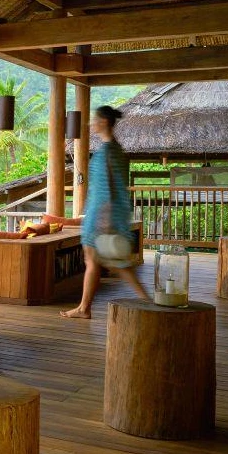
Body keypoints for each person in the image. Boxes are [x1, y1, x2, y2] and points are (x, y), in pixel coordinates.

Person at [61, 105, 148, 319]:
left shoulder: (107, 152)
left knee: (94, 260)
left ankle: (84, 308)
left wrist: (102, 220)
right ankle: (146, 299)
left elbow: (107, 187)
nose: (90, 124)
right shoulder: (117, 150)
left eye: (94, 120)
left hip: (101, 214)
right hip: (112, 213)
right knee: (117, 262)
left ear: (104, 122)